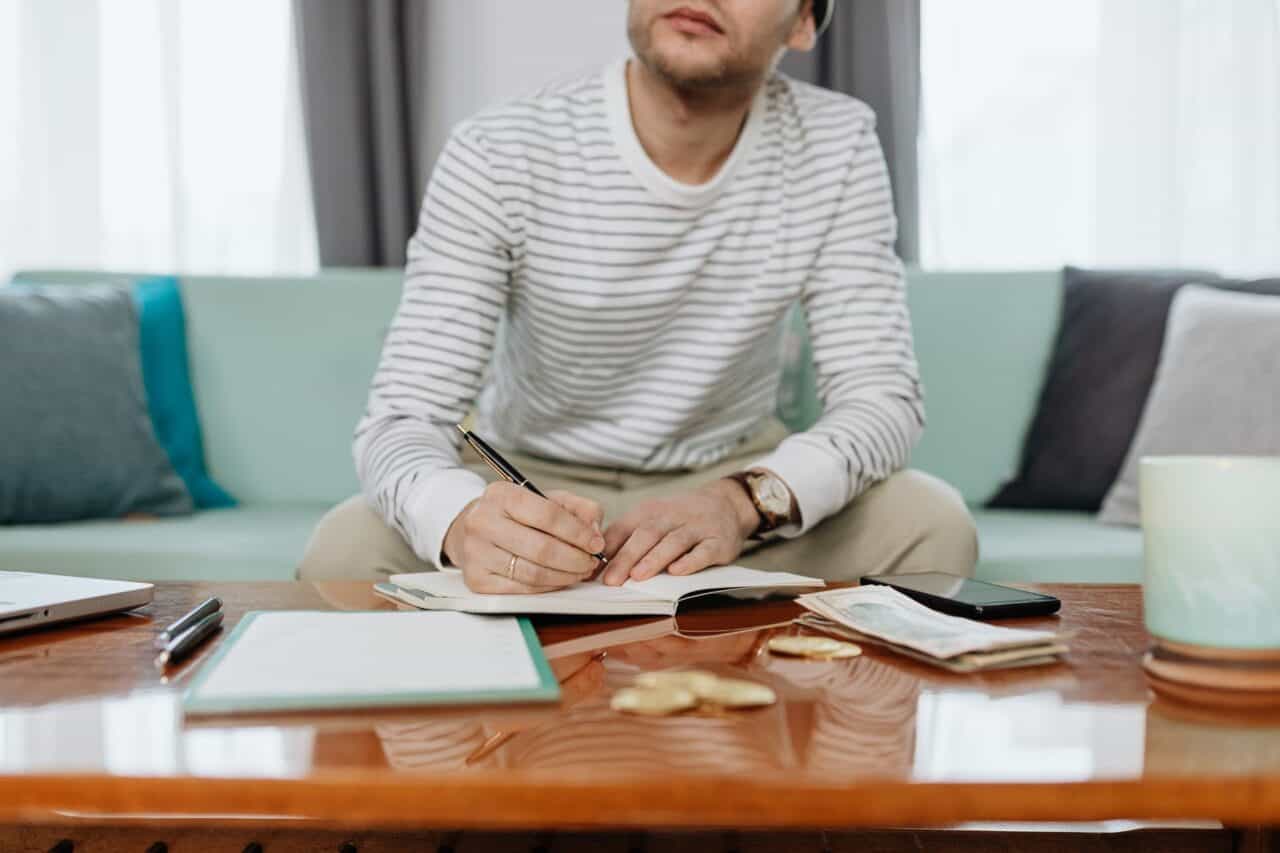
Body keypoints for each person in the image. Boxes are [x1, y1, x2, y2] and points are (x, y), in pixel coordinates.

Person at [299, 0, 978, 592]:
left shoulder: (837, 143)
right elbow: (402, 418)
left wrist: (742, 503)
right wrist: (467, 522)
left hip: (732, 479)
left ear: (803, 22)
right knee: (344, 551)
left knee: (931, 526)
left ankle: (804, 736)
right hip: (530, 481)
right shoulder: (499, 149)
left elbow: (880, 399)